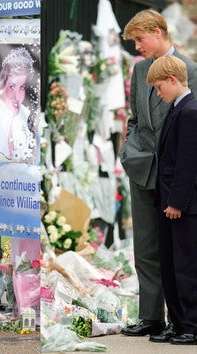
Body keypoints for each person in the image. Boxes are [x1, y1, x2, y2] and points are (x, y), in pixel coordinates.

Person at [119, 9, 197, 339]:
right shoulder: (139, 71)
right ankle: (151, 316)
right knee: (147, 248)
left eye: (140, 39)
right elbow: (136, 118)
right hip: (142, 170)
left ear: (158, 31)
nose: (137, 46)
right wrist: (129, 149)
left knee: (180, 251)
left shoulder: (190, 69)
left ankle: (183, 322)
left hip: (175, 173)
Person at [147, 56, 197, 345]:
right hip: (168, 203)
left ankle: (190, 324)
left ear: (173, 79)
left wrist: (177, 201)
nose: (157, 92)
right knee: (169, 264)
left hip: (183, 206)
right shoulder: (177, 109)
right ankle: (177, 322)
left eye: (159, 86)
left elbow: (187, 163)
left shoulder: (190, 112)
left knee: (186, 266)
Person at [0, 46, 37, 163]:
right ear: (0, 86)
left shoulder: (28, 128)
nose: (17, 96)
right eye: (12, 87)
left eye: (22, 87)